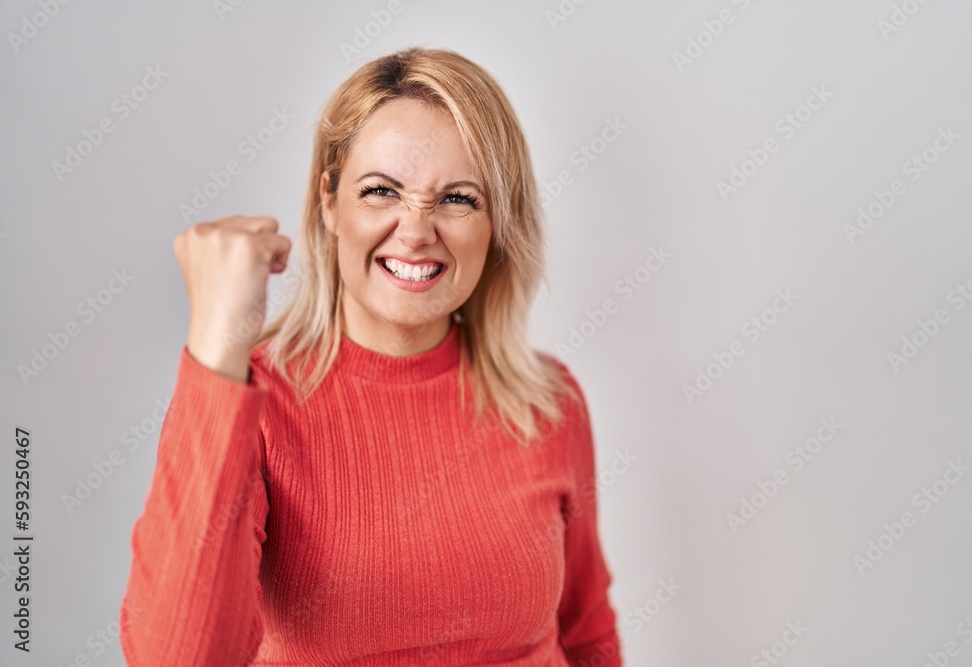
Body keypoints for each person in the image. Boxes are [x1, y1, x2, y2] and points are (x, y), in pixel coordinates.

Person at [119, 46, 622, 666]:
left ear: (496, 222)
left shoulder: (548, 402)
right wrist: (219, 343)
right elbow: (177, 657)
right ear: (329, 201)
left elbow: (588, 633)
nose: (415, 231)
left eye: (458, 198)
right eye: (381, 190)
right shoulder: (247, 404)